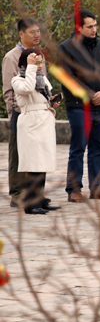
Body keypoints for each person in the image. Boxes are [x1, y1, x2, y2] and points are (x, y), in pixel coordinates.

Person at [57, 10, 100, 202]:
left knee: (99, 148)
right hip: (79, 107)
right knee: (78, 148)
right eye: (89, 27)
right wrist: (91, 95)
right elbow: (68, 78)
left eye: (95, 26)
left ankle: (97, 188)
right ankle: (74, 189)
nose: (94, 30)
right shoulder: (66, 48)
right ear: (78, 27)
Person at [11, 48, 59, 214]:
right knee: (33, 164)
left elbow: (41, 97)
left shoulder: (41, 77)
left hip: (44, 121)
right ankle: (31, 204)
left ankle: (40, 199)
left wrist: (51, 102)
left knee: (42, 163)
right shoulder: (18, 79)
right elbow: (27, 89)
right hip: (31, 123)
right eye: (35, 62)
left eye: (40, 62)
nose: (39, 65)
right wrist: (30, 67)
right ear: (25, 63)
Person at [4, 18, 41, 207]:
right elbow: (9, 91)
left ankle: (36, 194)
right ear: (21, 34)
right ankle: (17, 194)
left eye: (38, 31)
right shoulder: (12, 57)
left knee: (36, 154)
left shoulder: (37, 54)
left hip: (37, 112)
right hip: (21, 113)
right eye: (32, 32)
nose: (37, 35)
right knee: (17, 154)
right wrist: (14, 115)